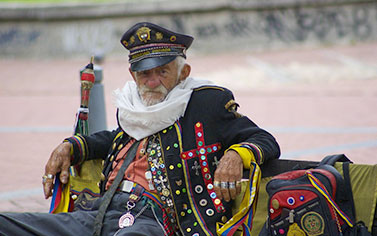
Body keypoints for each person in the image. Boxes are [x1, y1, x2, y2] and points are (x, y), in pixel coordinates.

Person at [0, 22, 280, 236]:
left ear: (183, 72)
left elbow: (264, 139)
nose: (152, 81)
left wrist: (235, 156)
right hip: (102, 211)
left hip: (157, 220)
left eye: (162, 71)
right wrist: (71, 146)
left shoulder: (206, 102)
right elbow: (117, 140)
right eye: (144, 73)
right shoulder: (132, 107)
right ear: (133, 75)